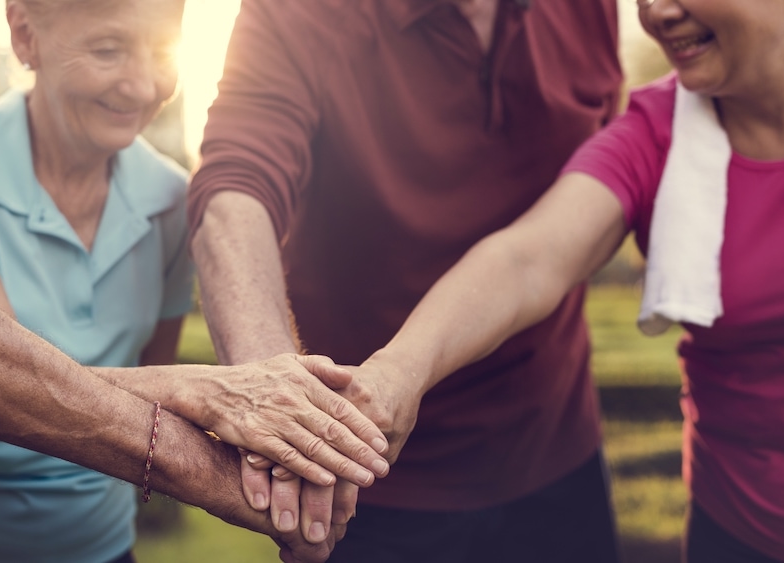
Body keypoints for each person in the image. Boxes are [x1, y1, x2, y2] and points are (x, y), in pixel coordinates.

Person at [0, 1, 388, 561]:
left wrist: (279, 458)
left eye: (162, 53)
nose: (142, 85)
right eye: (107, 50)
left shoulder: (173, 200)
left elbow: (141, 381)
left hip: (94, 545)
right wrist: (206, 403)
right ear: (25, 36)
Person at [319, 0, 784, 561]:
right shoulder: (655, 135)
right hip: (741, 531)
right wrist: (398, 372)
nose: (657, 12)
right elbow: (527, 260)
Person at [188, 0, 624, 561]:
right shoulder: (296, 12)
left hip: (556, 457)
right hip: (364, 476)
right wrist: (279, 403)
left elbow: (578, 215)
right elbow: (234, 194)